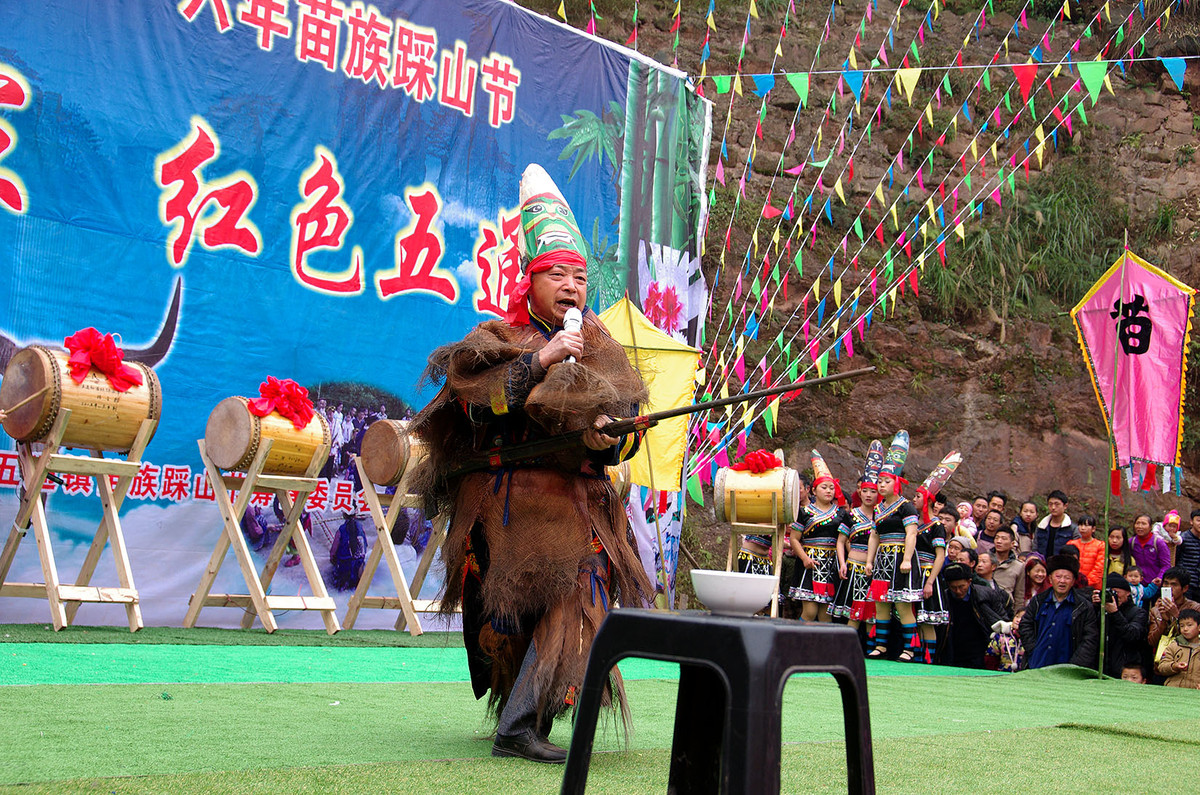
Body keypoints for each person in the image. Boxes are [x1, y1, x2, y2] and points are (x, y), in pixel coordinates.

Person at [409, 165, 652, 763]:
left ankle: (522, 720)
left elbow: (622, 437)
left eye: (580, 275)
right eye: (558, 274)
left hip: (582, 509)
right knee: (533, 611)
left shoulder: (604, 350)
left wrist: (610, 439)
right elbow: (477, 407)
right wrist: (541, 360)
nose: (572, 285)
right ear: (530, 280)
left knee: (582, 602)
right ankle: (518, 720)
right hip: (515, 508)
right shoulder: (498, 338)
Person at [866, 431, 923, 661]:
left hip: (900, 557)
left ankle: (909, 648)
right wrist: (870, 560)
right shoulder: (878, 509)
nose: (881, 485)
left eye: (886, 481)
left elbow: (911, 533)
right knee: (881, 604)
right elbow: (874, 536)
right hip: (883, 558)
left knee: (902, 604)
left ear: (896, 483)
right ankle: (881, 646)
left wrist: (908, 558)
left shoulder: (906, 507)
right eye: (879, 481)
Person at [789, 451, 851, 623]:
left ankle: (822, 648)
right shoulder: (804, 512)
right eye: (824, 487)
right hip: (810, 564)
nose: (829, 491)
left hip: (831, 564)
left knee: (826, 615)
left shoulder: (841, 513)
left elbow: (843, 541)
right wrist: (804, 558)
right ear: (814, 490)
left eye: (831, 488)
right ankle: (796, 642)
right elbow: (794, 539)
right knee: (809, 611)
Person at [830, 442, 884, 630]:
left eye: (873, 491)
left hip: (876, 569)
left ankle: (872, 651)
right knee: (853, 611)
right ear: (859, 491)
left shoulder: (884, 516)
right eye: (865, 490)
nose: (869, 495)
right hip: (853, 567)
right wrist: (842, 563)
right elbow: (841, 541)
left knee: (873, 614)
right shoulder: (851, 514)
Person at [1018, 554, 1099, 670]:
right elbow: (1025, 625)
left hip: (1068, 665)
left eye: (1067, 578)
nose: (1062, 581)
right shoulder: (1038, 601)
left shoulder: (1083, 606)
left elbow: (1090, 638)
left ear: (1073, 581)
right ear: (1050, 579)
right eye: (1058, 576)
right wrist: (1033, 649)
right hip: (1038, 662)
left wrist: (1076, 665)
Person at [941, 562, 1012, 669]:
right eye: (953, 588)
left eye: (961, 587)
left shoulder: (986, 595)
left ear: (969, 582)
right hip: (955, 648)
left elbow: (1002, 618)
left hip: (980, 649)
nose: (958, 591)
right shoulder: (944, 599)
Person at [1091, 573, 1149, 679]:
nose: (1113, 596)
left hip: (1124, 670)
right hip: (1100, 668)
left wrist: (1115, 613)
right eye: (1108, 592)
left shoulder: (1138, 613)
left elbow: (1133, 635)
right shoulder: (1101, 610)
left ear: (1128, 593)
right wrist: (1094, 608)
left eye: (1116, 592)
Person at [1147, 568, 1200, 655]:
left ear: (1185, 588)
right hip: (1164, 661)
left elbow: (1194, 639)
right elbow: (1152, 642)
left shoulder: (1195, 608)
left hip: (1189, 658)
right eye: (1166, 583)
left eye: (1174, 584)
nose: (1169, 588)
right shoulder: (1155, 610)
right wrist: (1164, 621)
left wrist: (1176, 616)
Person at [1154, 608, 1200, 688]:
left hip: (1196, 690)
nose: (1185, 629)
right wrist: (1174, 666)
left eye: (1189, 625)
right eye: (1182, 626)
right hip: (1174, 688)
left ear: (1199, 627)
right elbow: (1161, 667)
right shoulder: (1174, 645)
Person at [1129, 514, 1171, 587]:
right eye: (1137, 523)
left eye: (1143, 524)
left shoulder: (1158, 543)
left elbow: (1166, 565)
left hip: (1155, 585)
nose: (1140, 526)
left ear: (1150, 527)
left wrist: (1160, 577)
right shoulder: (1131, 542)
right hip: (1136, 585)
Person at [1033, 490, 1078, 558]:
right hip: (1042, 565)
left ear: (1065, 506)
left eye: (1057, 504)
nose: (1053, 507)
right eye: (1050, 504)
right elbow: (1035, 548)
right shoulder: (1041, 527)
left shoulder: (1072, 528)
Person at [1066, 514, 1105, 590]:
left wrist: (1085, 583)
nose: (1083, 528)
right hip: (1073, 585)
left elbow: (1099, 569)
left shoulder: (1100, 545)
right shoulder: (1071, 543)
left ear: (1093, 529)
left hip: (1092, 587)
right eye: (1080, 525)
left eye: (1086, 525)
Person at [990, 527, 1026, 605]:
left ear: (1012, 544)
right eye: (997, 538)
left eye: (1003, 539)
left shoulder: (1019, 566)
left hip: (1005, 608)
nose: (999, 541)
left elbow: (1019, 595)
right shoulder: (985, 560)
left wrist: (1016, 613)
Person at [1177, 509, 1200, 602]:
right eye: (1198, 520)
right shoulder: (1183, 538)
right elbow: (1176, 558)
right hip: (1187, 583)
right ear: (1191, 521)